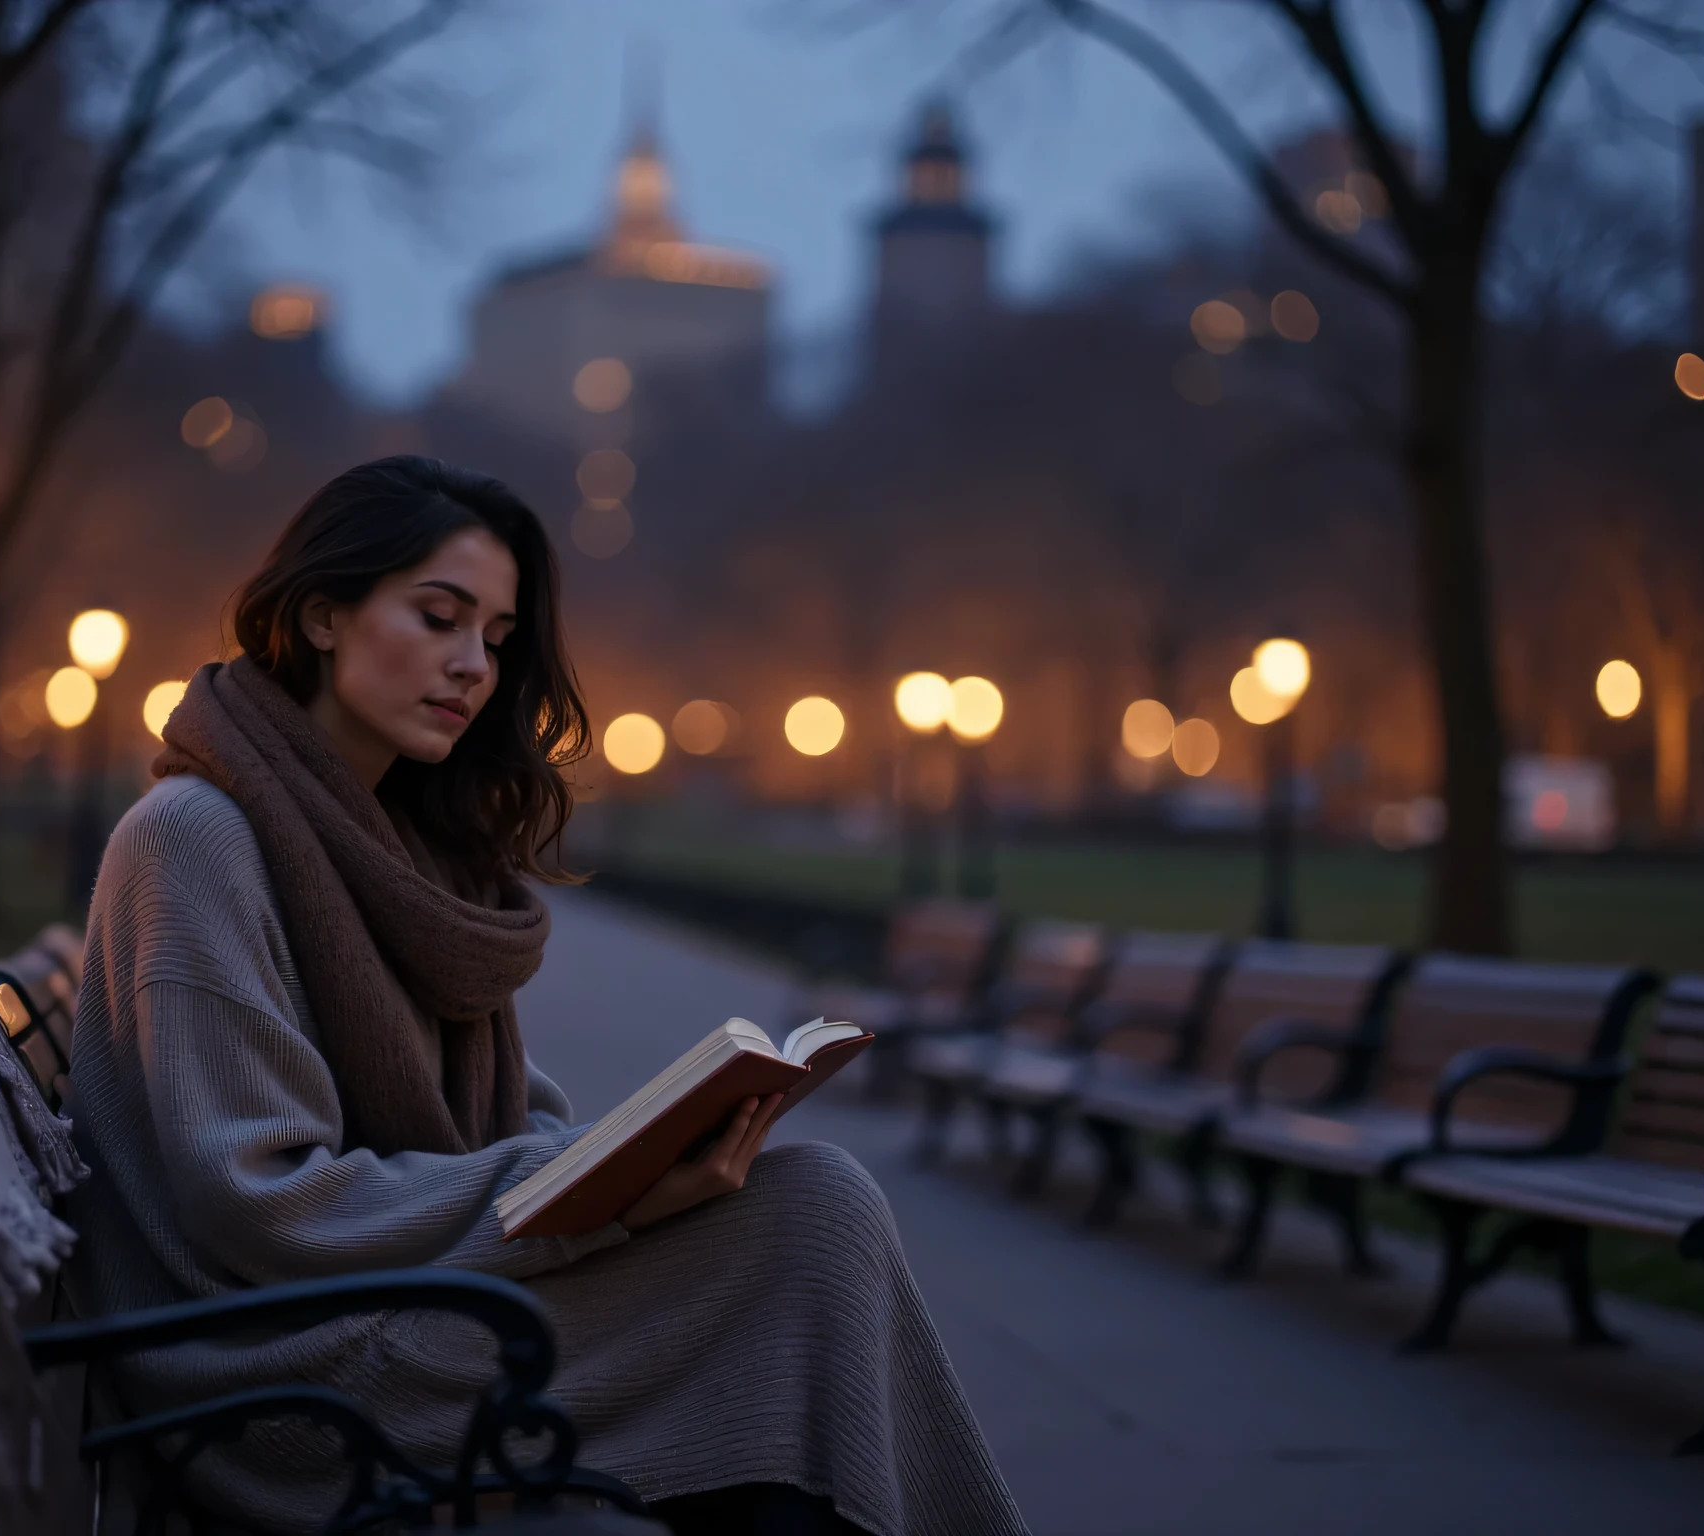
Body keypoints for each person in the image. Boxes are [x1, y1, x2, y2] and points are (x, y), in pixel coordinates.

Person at [65, 456, 1027, 1536]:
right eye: (438, 617)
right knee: (809, 1231)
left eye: (495, 637)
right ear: (323, 614)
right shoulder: (197, 838)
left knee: (806, 1210)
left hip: (394, 1310)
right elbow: (262, 1203)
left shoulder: (394, 846)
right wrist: (571, 1203)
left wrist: (635, 1164)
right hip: (277, 1373)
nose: (472, 665)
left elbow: (497, 1116)